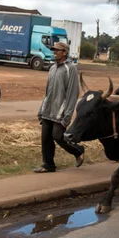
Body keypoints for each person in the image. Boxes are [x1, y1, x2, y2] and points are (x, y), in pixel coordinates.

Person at [34, 42, 84, 173]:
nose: (54, 52)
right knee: (45, 138)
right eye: (54, 50)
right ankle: (48, 165)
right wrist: (42, 109)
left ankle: (78, 151)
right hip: (48, 110)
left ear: (64, 52)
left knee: (57, 136)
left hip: (60, 111)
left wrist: (67, 115)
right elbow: (48, 92)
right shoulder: (52, 68)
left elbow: (73, 93)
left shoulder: (71, 68)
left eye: (57, 50)